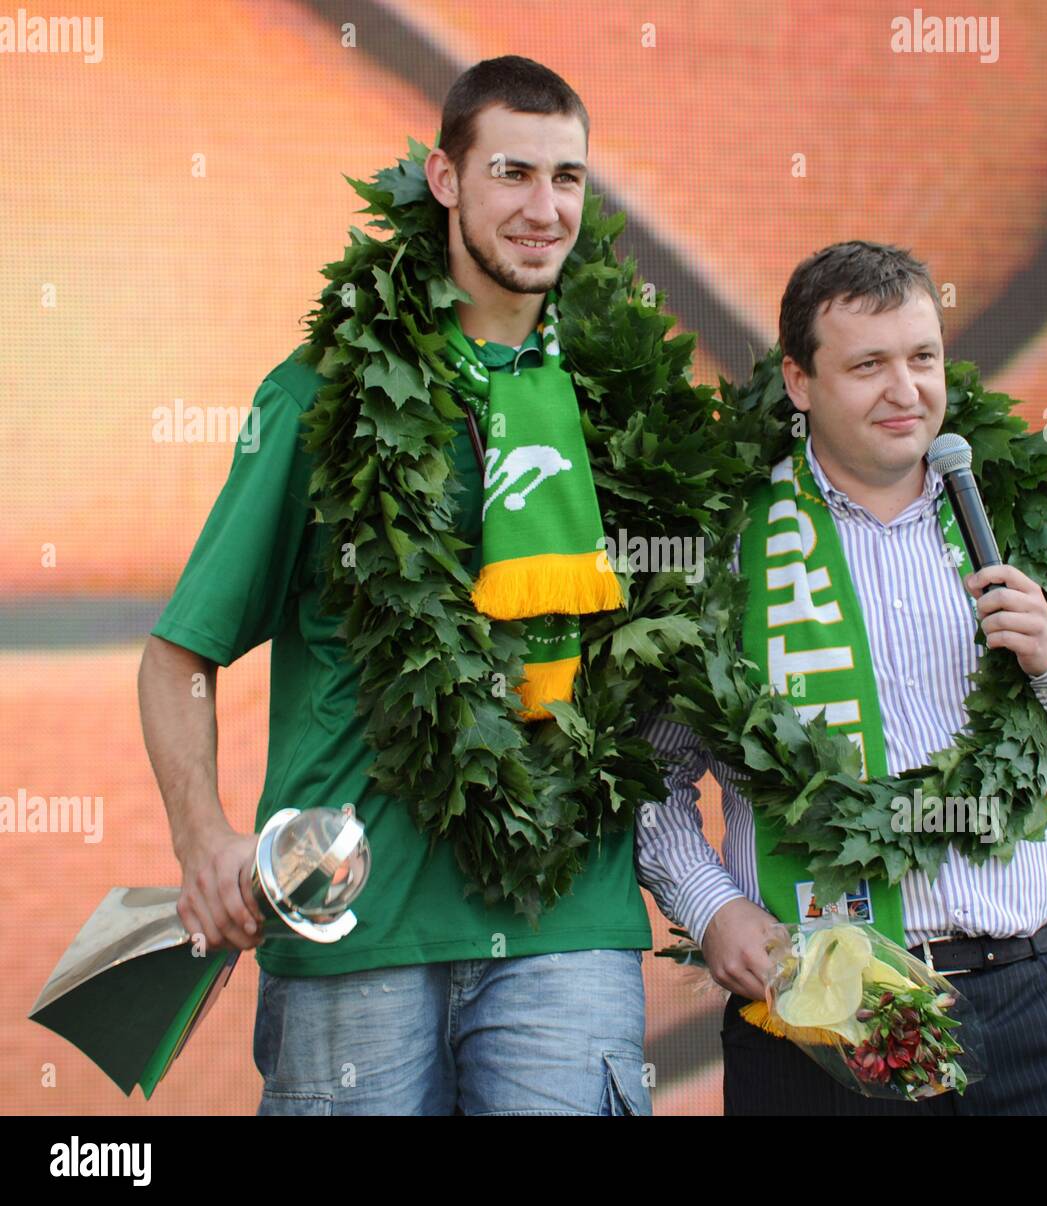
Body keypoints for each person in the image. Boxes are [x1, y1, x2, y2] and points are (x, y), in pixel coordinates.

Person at [139, 57, 655, 1117]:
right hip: (352, 925)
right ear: (445, 179)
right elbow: (178, 657)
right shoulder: (323, 394)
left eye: (567, 178)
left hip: (566, 919)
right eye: (511, 172)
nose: (543, 208)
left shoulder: (628, 410)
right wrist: (203, 844)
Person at [637, 241, 1047, 1115]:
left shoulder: (1017, 518)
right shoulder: (727, 545)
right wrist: (711, 909)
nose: (906, 390)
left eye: (923, 359)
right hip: (823, 1008)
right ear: (800, 383)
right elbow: (646, 779)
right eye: (868, 365)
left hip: (1035, 996)